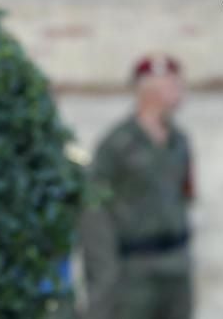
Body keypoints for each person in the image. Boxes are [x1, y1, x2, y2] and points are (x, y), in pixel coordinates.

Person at [78, 54, 195, 319]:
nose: (180, 92)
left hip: (175, 265)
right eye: (172, 85)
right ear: (149, 91)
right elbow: (94, 210)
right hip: (135, 269)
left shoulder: (179, 141)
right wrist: (103, 277)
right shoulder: (117, 144)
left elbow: (184, 196)